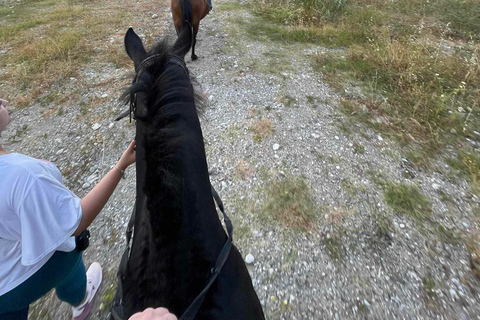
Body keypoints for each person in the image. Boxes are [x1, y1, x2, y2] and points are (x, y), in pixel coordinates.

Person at [0, 98, 136, 320]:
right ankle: (81, 302)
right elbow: (76, 222)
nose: (4, 100)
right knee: (69, 250)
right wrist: (120, 166)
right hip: (15, 282)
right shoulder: (24, 177)